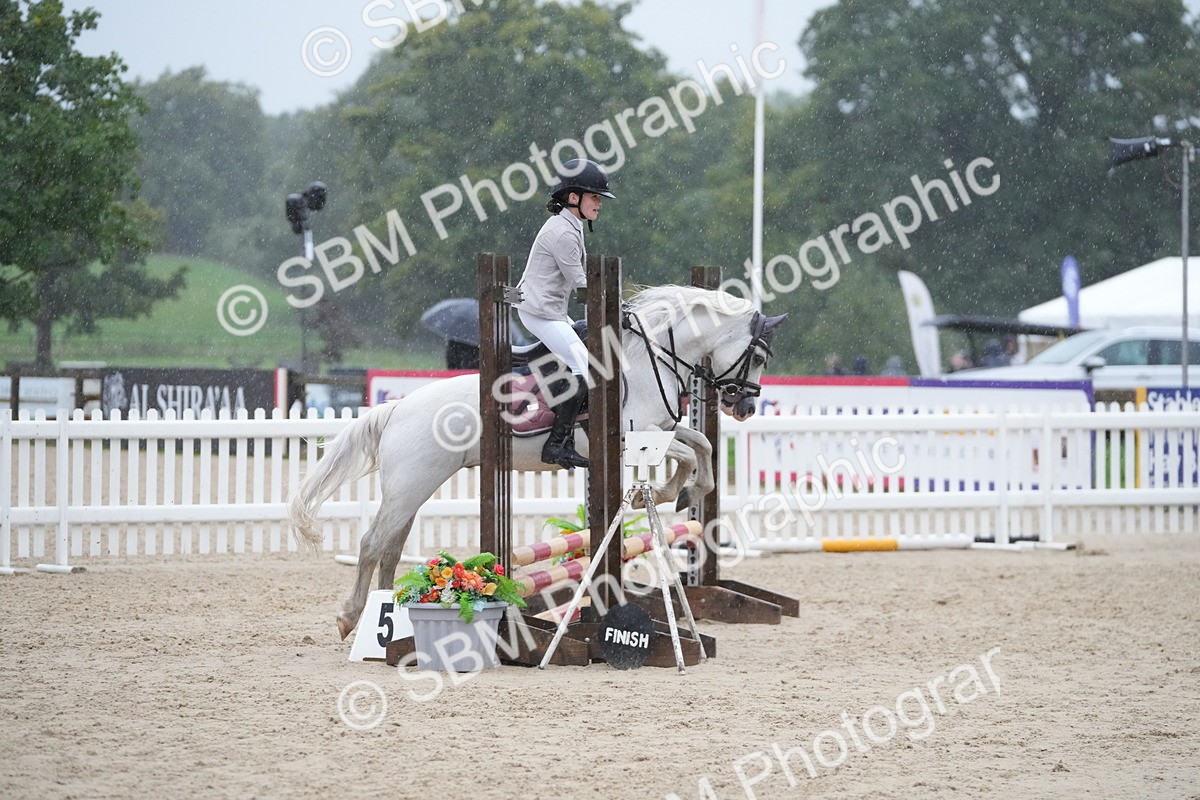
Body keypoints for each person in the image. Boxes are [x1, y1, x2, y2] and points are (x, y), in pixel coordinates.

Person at [513, 158, 615, 469]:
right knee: (586, 368)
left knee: (582, 341)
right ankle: (556, 444)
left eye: (599, 198)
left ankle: (564, 412)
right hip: (540, 312)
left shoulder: (570, 225)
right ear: (573, 197)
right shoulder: (562, 233)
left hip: (549, 308)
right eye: (594, 197)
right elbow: (583, 284)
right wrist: (617, 305)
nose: (599, 203)